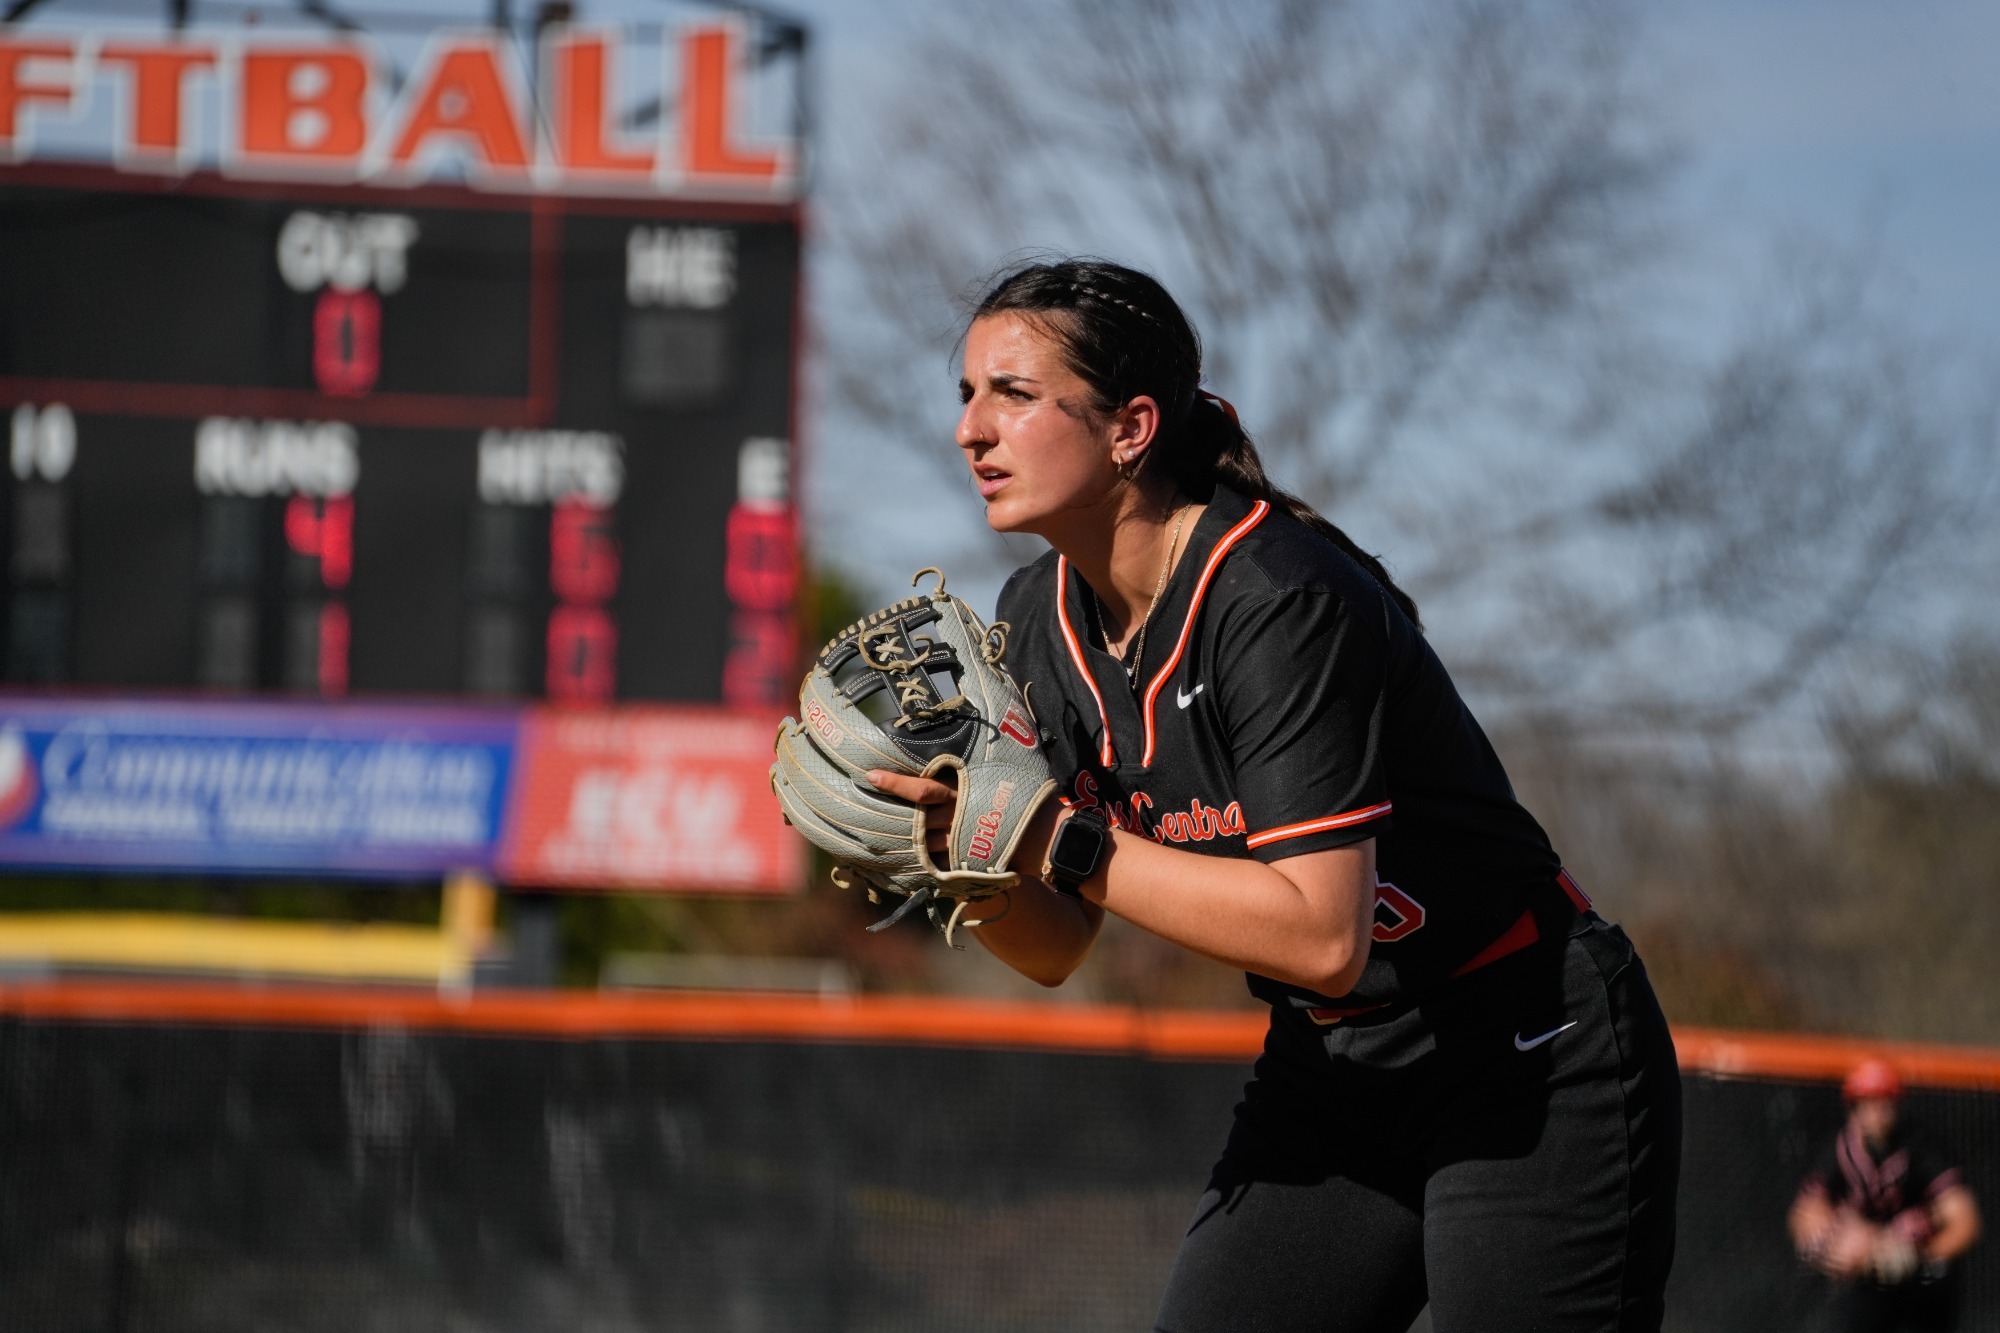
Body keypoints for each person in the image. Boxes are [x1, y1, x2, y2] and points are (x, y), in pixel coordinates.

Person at [865, 258, 1681, 1332]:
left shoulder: (1276, 598)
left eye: (1011, 394)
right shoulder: (1031, 617)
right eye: (964, 395)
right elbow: (1058, 947)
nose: (970, 429)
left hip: (1526, 1047)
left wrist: (1051, 839)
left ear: (1130, 427)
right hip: (1335, 1064)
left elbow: (1319, 935)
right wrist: (971, 856)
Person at [1790, 1059, 1981, 1332]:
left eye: (1883, 1103)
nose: (1874, 1114)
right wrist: (1828, 1239)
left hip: (1922, 1287)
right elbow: (1805, 1213)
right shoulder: (1840, 1149)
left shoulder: (1920, 1147)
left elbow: (1965, 1221)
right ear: (1852, 1108)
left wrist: (1920, 1257)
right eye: (1864, 1103)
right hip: (1866, 1285)